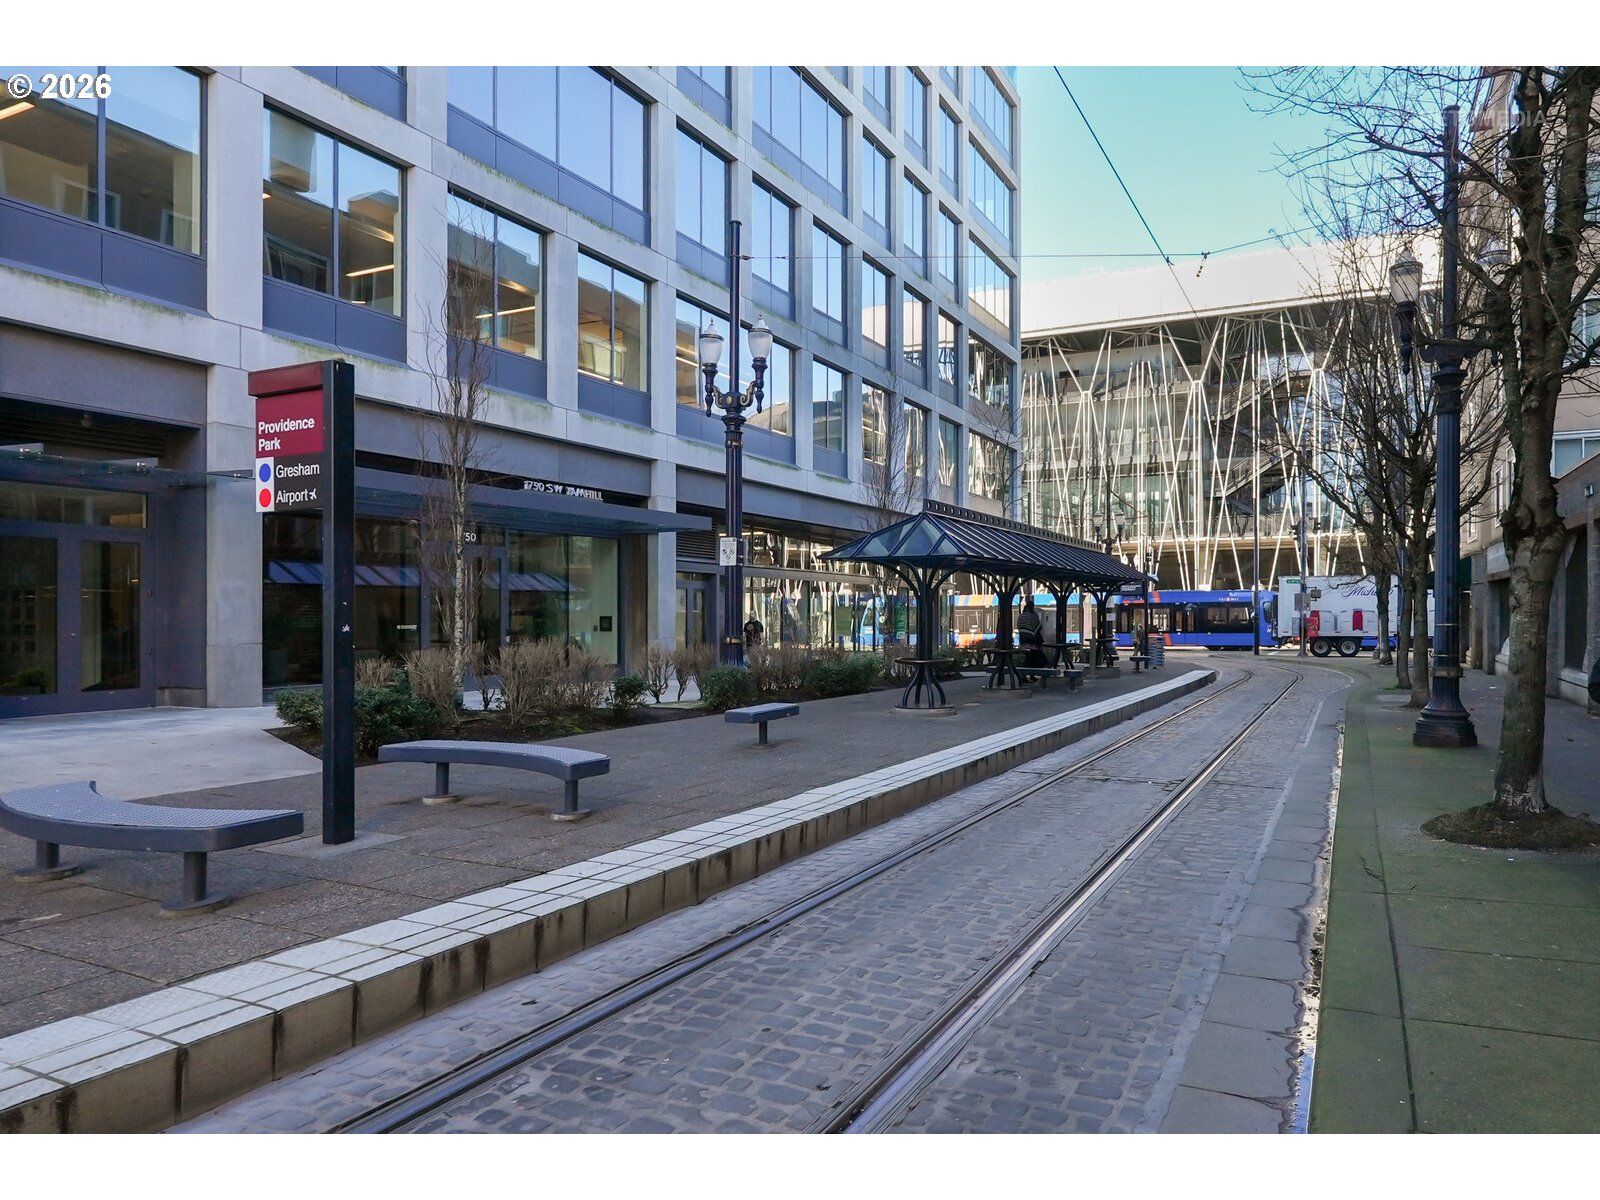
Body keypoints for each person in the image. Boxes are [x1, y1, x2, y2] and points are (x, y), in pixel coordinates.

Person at [1017, 598, 1046, 667]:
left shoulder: (1020, 616)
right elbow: (1038, 627)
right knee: (1036, 651)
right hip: (1031, 639)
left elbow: (1018, 627)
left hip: (1022, 639)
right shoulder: (1033, 615)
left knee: (1029, 654)